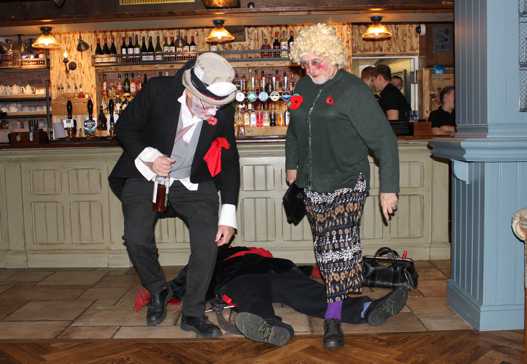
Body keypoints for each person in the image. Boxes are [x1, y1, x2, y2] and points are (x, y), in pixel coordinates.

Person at [286, 23, 402, 350]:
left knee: (336, 245)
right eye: (305, 63)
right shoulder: (302, 88)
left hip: (347, 180)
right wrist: (292, 166)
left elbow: (384, 141)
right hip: (312, 183)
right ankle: (356, 300)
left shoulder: (353, 90)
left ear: (332, 57)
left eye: (316, 62)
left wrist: (388, 188)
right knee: (328, 248)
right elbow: (293, 131)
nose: (310, 69)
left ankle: (333, 318)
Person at [108, 52, 241, 338]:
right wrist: (149, 155)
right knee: (136, 237)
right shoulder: (159, 90)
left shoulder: (221, 110)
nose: (212, 112)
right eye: (207, 104)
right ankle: (158, 290)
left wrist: (228, 213)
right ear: (189, 90)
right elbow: (125, 127)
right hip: (146, 175)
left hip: (193, 182)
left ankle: (192, 314)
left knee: (208, 244)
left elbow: (229, 162)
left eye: (217, 106)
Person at [163, 245, 408, 347]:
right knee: (252, 295)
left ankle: (366, 310)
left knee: (311, 294)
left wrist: (315, 271)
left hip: (277, 271)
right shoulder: (208, 258)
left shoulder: (262, 254)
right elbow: (184, 280)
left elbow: (302, 270)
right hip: (238, 279)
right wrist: (163, 294)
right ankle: (272, 328)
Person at [373, 64, 412, 134]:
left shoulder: (389, 93)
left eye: (373, 80)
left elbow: (393, 120)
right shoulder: (391, 91)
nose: (373, 83)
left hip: (396, 136)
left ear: (380, 77)